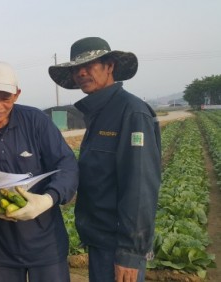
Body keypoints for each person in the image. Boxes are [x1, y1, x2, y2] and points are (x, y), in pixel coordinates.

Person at [49, 37, 161, 282]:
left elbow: (140, 188)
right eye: (76, 68)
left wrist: (130, 254)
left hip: (118, 245)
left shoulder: (131, 112)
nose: (81, 72)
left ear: (109, 66)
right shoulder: (99, 113)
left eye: (90, 65)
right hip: (100, 239)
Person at [0, 60, 79, 282]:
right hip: (0, 246)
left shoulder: (36, 122)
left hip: (46, 242)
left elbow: (67, 165)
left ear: (17, 94)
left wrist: (46, 199)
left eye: (5, 98)